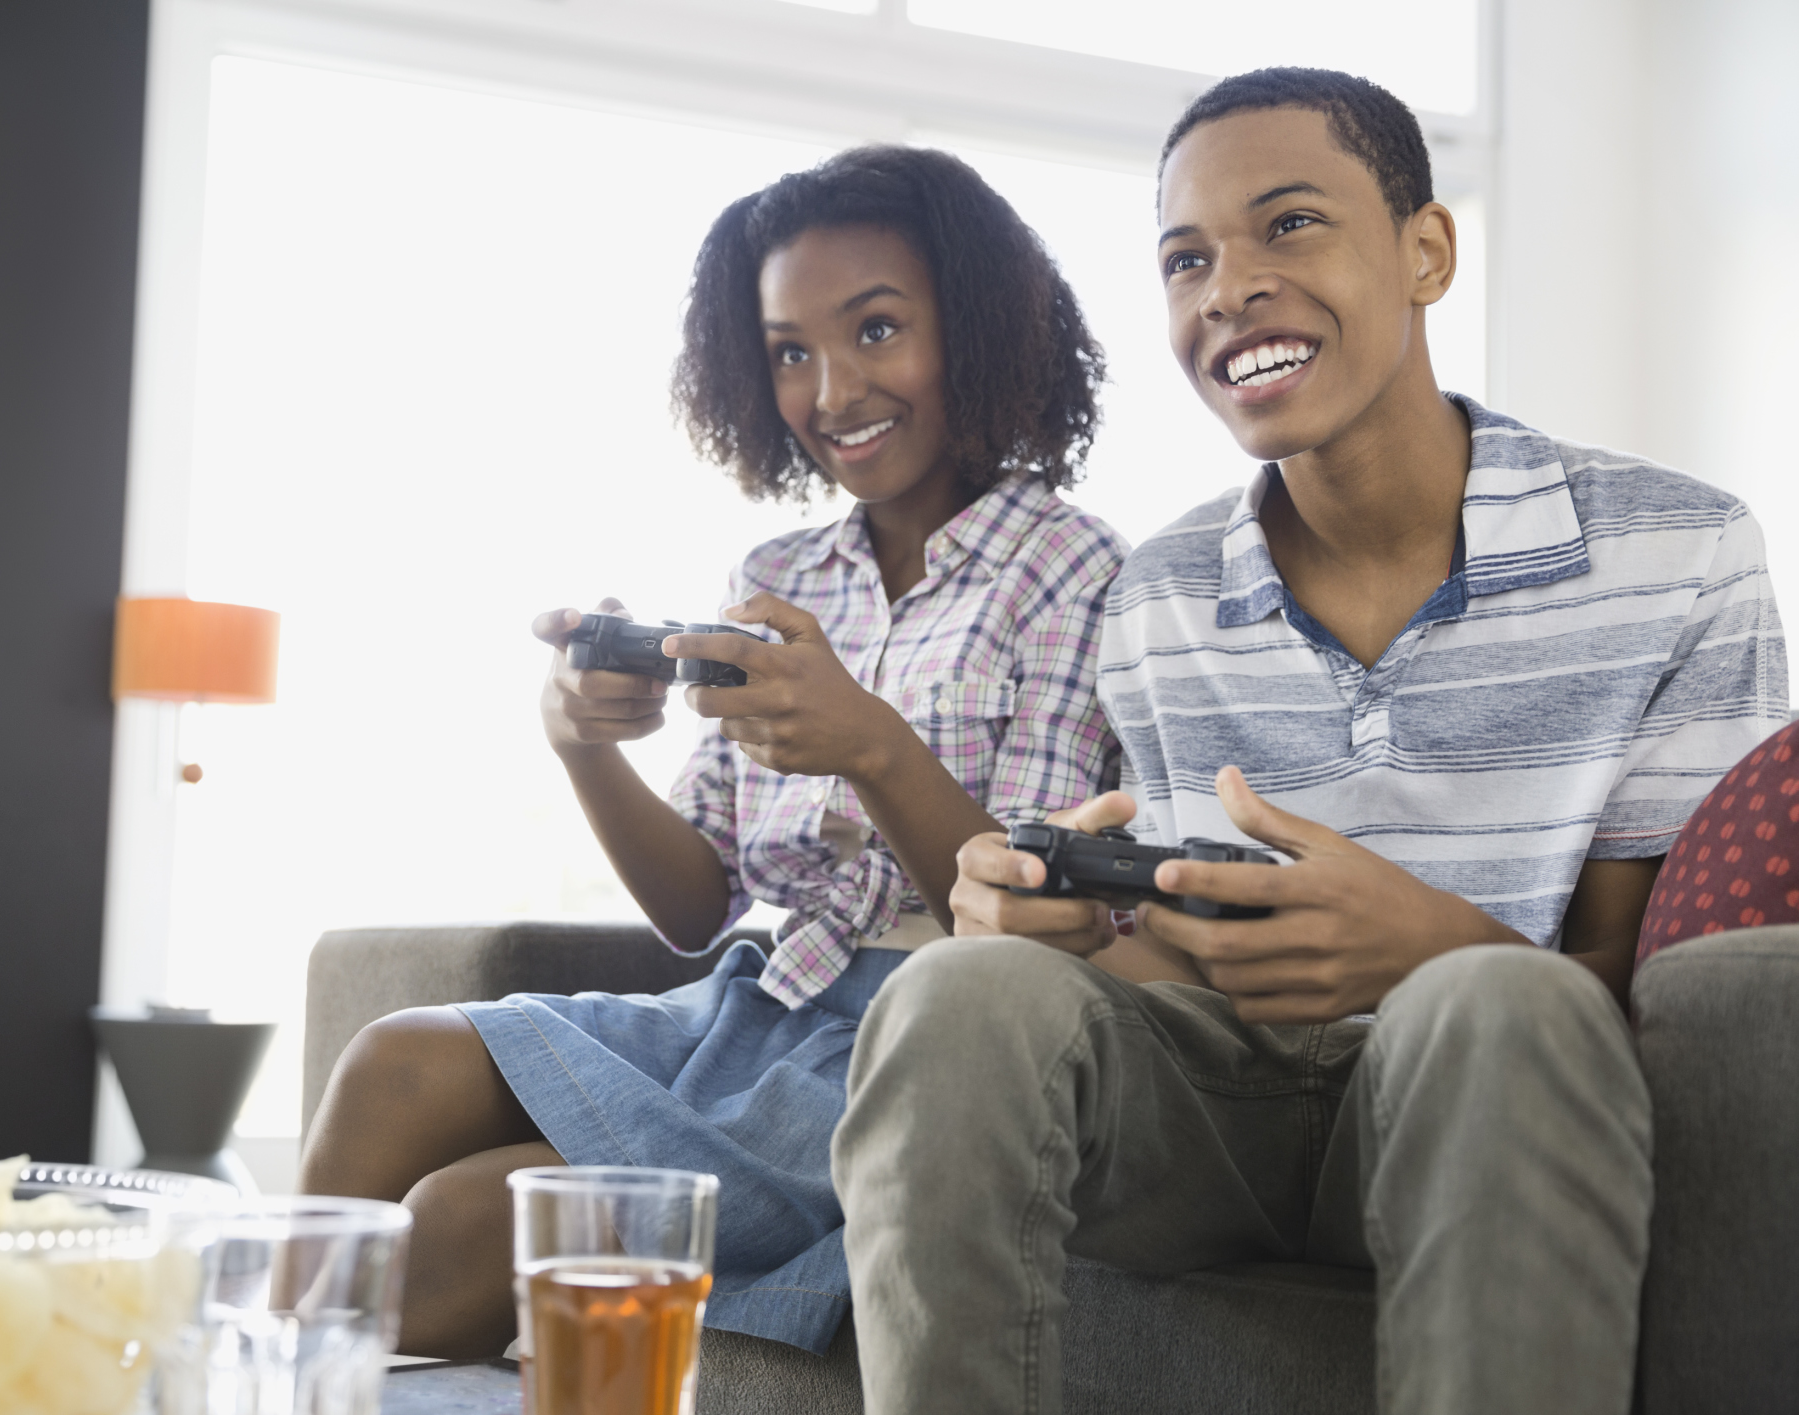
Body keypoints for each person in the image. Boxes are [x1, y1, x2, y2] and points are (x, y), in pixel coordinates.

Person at [831, 68, 1787, 1415]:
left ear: (1423, 250)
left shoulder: (1679, 552)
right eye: (1185, 257)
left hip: (1488, 1088)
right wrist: (1056, 914)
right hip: (1220, 1104)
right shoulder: (1155, 592)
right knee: (951, 988)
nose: (1225, 286)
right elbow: (1168, 950)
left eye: (1286, 225)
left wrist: (1428, 940)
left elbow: (1649, 988)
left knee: (1490, 1000)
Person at [300, 146, 1142, 1359]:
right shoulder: (777, 578)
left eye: (877, 329)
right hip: (749, 999)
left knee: (463, 1223)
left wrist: (868, 741)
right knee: (393, 1064)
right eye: (790, 350)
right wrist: (583, 747)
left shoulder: (1077, 572)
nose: (831, 386)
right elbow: (700, 904)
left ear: (980, 331)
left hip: (914, 1039)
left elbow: (1018, 924)